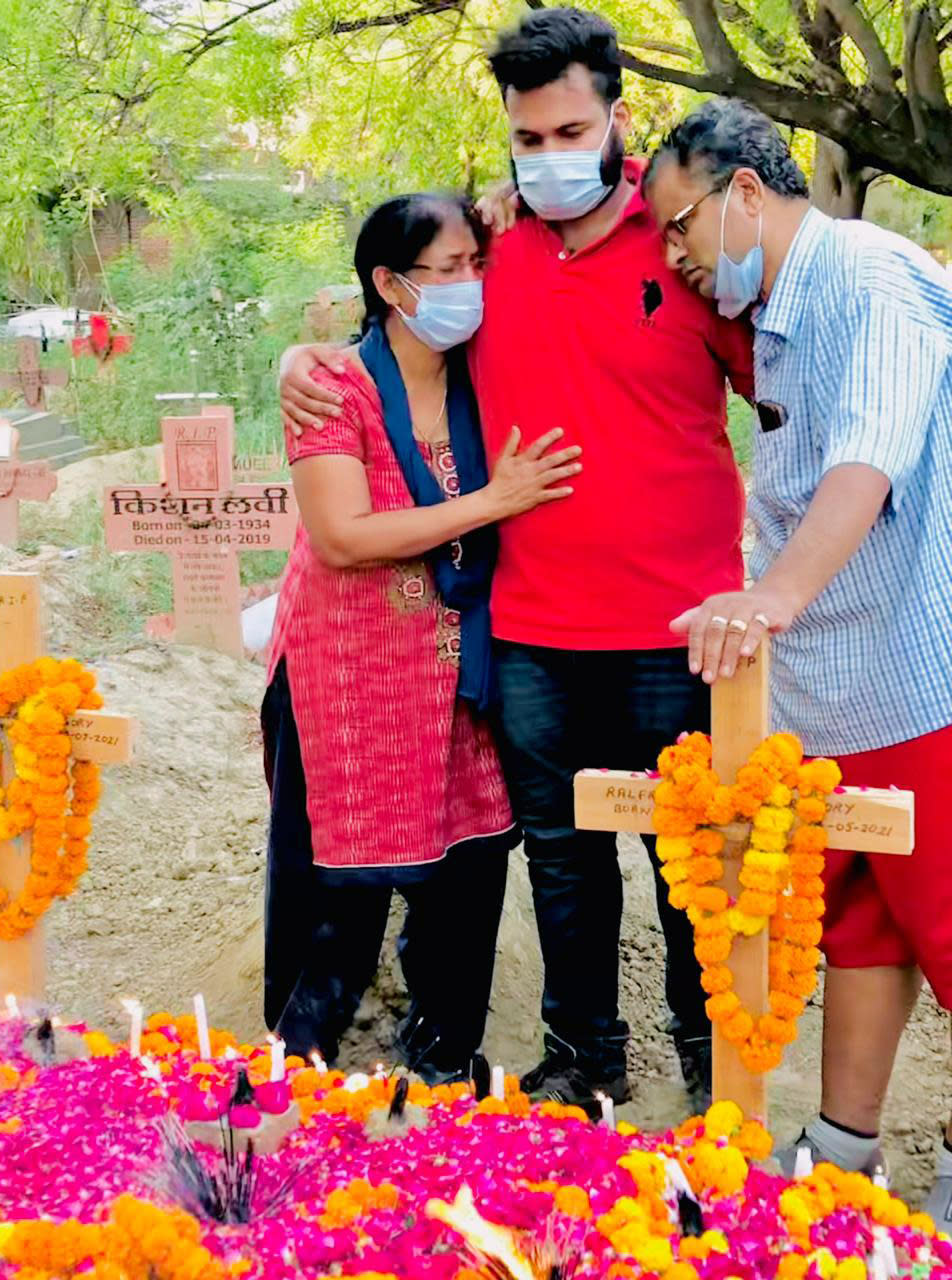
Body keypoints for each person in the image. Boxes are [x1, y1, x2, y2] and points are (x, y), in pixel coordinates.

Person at [280, 7, 754, 1115]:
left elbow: (784, 383)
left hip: (680, 625)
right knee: (563, 859)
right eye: (527, 140)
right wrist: (298, 357)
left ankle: (709, 1050)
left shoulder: (688, 241)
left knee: (689, 860)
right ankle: (584, 1050)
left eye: (569, 132)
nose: (547, 159)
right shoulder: (491, 256)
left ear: (616, 117)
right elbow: (385, 310)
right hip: (532, 627)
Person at [645, 96, 952, 1223]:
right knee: (869, 919)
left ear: (744, 193)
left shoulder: (875, 281)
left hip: (926, 670)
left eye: (680, 227)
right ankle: (841, 1149)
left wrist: (765, 598)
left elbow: (866, 463)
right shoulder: (772, 314)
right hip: (830, 687)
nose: (675, 257)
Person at [263, 191, 583, 1085]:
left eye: (474, 268)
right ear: (391, 285)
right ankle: (299, 1066)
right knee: (340, 877)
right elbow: (342, 536)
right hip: (349, 671)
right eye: (446, 273)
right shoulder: (335, 385)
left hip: (464, 671)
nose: (468, 288)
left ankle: (443, 1057)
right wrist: (490, 502)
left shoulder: (488, 370)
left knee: (471, 871)